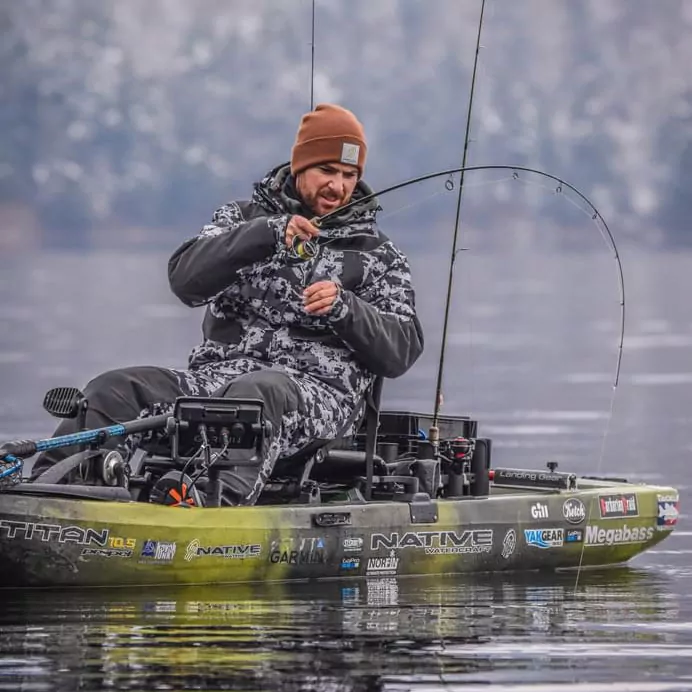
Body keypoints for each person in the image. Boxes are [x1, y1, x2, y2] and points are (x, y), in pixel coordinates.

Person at [30, 103, 424, 505]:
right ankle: (43, 497)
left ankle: (202, 506)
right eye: (327, 171)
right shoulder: (240, 219)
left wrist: (346, 308)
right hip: (216, 381)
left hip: (318, 399)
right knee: (112, 390)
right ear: (300, 166)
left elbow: (401, 351)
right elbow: (185, 281)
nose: (338, 187)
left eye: (349, 176)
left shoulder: (379, 254)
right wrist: (264, 235)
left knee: (256, 395)